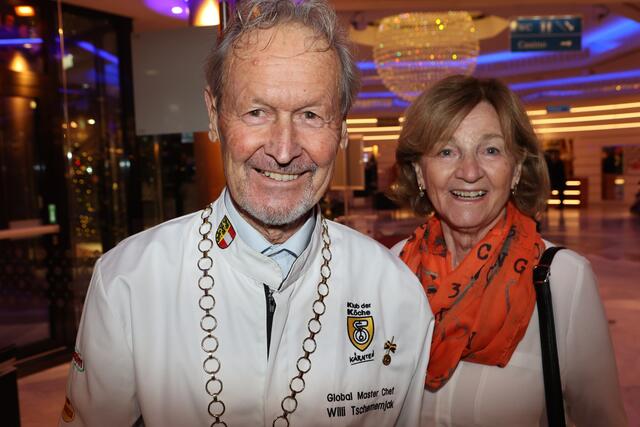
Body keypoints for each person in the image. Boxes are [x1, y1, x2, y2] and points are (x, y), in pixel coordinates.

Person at [60, 1, 434, 426]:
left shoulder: (395, 293)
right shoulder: (129, 281)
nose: (283, 150)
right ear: (214, 116)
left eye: (311, 115)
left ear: (343, 130)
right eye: (257, 112)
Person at [390, 75, 627, 426]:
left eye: (490, 150)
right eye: (446, 151)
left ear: (516, 169)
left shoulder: (562, 279)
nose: (469, 171)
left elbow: (601, 419)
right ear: (419, 172)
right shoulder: (394, 270)